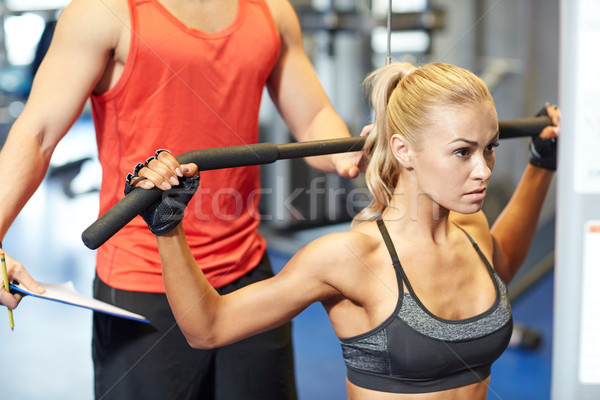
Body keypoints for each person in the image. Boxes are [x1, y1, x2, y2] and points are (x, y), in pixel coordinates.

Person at [128, 61, 560, 399]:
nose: (483, 170)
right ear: (403, 150)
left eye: (490, 148)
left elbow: (499, 265)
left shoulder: (471, 229)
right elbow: (208, 328)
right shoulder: (348, 258)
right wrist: (168, 228)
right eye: (463, 152)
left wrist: (541, 165)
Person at [0, 0, 365, 399]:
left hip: (247, 274)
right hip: (144, 282)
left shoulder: (272, 11)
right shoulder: (103, 11)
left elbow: (313, 117)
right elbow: (37, 135)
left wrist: (347, 152)